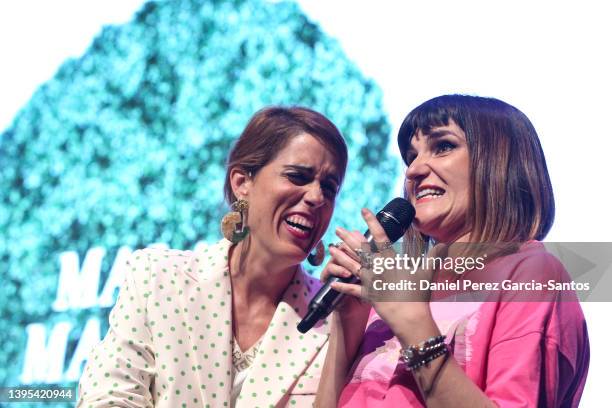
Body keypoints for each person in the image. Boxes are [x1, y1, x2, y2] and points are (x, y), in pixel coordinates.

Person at [315, 95, 590, 407]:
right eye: (410, 157)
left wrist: (414, 326)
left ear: (499, 161)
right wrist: (347, 323)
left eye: (443, 146)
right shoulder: (394, 291)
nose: (413, 170)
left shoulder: (533, 273)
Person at [78, 106, 348, 407]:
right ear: (242, 183)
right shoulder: (157, 276)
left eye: (329, 187)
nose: (316, 197)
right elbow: (109, 397)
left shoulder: (335, 321)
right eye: (298, 176)